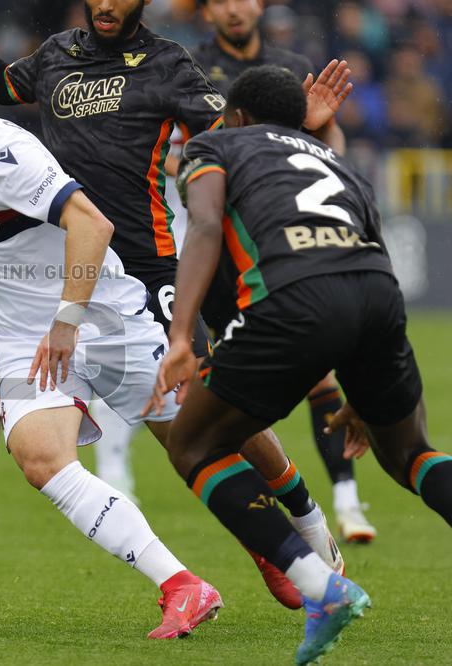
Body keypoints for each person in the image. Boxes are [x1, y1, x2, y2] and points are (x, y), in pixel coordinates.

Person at [0, 0, 348, 611]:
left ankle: (300, 521)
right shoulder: (58, 54)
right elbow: (1, 83)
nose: (108, 4)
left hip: (142, 257)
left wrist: (299, 128)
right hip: (64, 258)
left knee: (200, 416)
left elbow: (227, 136)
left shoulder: (168, 63)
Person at [0, 49, 223, 640]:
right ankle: (182, 584)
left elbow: (93, 226)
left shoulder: (4, 152)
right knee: (38, 457)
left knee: (206, 443)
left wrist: (66, 319)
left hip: (101, 314)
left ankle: (305, 538)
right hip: (25, 336)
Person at [145, 64, 452, 664]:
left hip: (292, 296)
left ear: (236, 116)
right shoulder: (335, 159)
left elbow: (205, 224)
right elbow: (375, 242)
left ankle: (321, 588)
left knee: (194, 445)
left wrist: (182, 335)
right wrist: (364, 380)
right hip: (376, 294)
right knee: (411, 452)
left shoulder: (215, 143)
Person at [191, 0, 374, 544]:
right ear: (207, 13)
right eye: (222, 0)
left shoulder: (292, 67)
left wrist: (326, 139)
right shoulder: (188, 66)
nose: (235, 8)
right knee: (203, 381)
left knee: (302, 374)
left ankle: (339, 501)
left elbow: (326, 151)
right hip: (206, 224)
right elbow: (176, 151)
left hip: (275, 235)